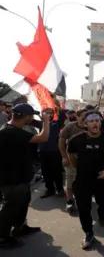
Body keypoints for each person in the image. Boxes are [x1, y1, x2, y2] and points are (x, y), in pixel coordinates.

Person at [67, 110, 104, 249]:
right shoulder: (76, 139)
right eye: (91, 121)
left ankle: (101, 212)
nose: (95, 123)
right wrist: (77, 168)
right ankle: (88, 232)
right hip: (83, 179)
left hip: (102, 178)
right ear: (85, 124)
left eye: (97, 120)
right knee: (83, 208)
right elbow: (71, 154)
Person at [0, 104, 49, 249]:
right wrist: (45, 121)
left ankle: (19, 227)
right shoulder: (12, 131)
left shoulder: (12, 128)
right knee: (11, 206)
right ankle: (2, 236)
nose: (32, 118)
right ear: (25, 117)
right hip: (11, 178)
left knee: (22, 202)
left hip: (20, 175)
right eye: (30, 116)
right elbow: (44, 137)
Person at [59, 108, 88, 212]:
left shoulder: (91, 126)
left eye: (87, 116)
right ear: (78, 116)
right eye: (83, 116)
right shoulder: (70, 127)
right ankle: (70, 200)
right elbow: (61, 141)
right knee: (70, 180)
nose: (85, 118)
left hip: (86, 160)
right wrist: (64, 157)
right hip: (70, 158)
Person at [38, 107, 66, 198]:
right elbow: (28, 119)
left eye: (51, 113)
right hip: (43, 152)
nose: (48, 115)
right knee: (45, 172)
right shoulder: (40, 124)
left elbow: (62, 115)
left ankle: (60, 189)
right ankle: (50, 189)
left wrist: (56, 106)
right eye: (46, 113)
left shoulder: (57, 123)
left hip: (55, 152)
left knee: (57, 171)